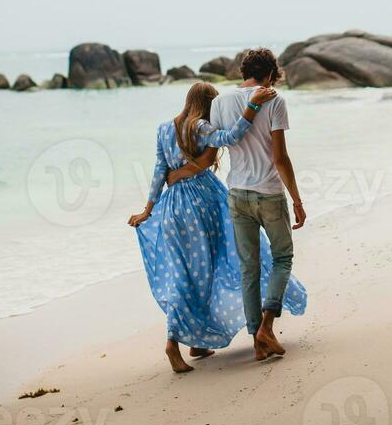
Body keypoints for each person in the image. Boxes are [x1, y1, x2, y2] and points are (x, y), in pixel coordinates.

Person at [128, 81, 306, 373]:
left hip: (172, 207)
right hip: (203, 204)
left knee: (185, 275)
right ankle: (173, 344)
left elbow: (160, 171)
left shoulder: (163, 128)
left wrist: (149, 209)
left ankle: (196, 342)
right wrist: (252, 106)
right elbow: (232, 135)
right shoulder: (200, 127)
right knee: (210, 271)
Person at [168, 48, 307, 362]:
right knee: (283, 257)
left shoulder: (219, 102)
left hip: (237, 194)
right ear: (270, 74)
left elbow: (220, 145)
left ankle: (258, 342)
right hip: (268, 193)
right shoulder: (274, 100)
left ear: (244, 71)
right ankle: (266, 329)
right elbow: (280, 158)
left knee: (249, 269)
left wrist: (177, 172)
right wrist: (297, 199)